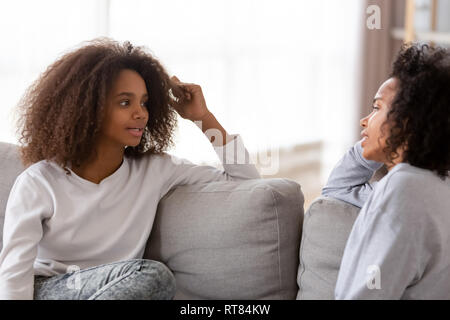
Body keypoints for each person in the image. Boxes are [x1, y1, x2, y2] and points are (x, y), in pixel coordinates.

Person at [0, 38, 260, 300]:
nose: (141, 113)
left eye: (145, 103)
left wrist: (204, 118)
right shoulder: (39, 181)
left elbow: (244, 181)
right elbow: (14, 271)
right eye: (125, 103)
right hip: (49, 289)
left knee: (153, 277)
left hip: (122, 286)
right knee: (152, 275)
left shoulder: (156, 170)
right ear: (88, 108)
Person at [322, 43, 450, 299]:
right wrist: (382, 140)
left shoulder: (404, 188)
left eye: (377, 107)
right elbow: (337, 189)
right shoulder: (436, 185)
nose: (364, 119)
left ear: (407, 120)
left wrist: (388, 140)